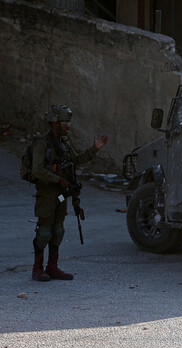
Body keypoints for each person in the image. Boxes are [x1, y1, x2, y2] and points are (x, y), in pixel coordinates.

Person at [29, 104, 108, 281]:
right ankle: (37, 268)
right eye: (65, 122)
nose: (68, 126)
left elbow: (76, 160)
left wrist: (94, 149)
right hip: (47, 193)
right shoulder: (42, 142)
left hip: (61, 194)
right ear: (55, 122)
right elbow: (37, 170)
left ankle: (52, 267)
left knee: (58, 231)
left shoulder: (64, 143)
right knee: (44, 232)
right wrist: (58, 179)